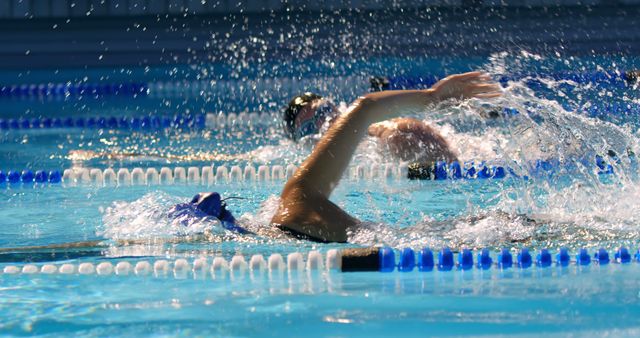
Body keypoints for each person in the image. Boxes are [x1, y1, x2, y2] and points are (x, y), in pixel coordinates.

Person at [187, 72, 501, 243]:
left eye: (324, 115)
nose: (323, 128)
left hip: (421, 238)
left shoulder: (277, 234)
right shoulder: (295, 200)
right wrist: (432, 97)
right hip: (451, 234)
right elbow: (366, 105)